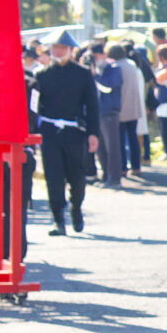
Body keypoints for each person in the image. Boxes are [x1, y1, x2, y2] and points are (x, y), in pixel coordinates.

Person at [30, 31, 97, 235]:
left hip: (74, 132)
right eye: (55, 48)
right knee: (53, 176)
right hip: (50, 132)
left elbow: (92, 106)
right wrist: (33, 131)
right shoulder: (41, 75)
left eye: (61, 48)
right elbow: (34, 106)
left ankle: (76, 208)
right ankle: (57, 218)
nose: (58, 52)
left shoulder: (83, 74)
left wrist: (94, 133)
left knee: (77, 176)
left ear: (70, 50)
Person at [91, 43, 127, 188]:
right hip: (97, 111)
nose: (95, 59)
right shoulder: (92, 70)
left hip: (110, 111)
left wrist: (96, 75)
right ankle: (105, 175)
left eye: (96, 56)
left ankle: (115, 177)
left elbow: (109, 86)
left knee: (112, 146)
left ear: (104, 55)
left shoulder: (114, 69)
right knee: (100, 147)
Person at [111, 37, 147, 176]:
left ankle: (123, 167)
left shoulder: (116, 67)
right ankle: (136, 166)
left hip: (120, 107)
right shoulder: (132, 65)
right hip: (134, 106)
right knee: (133, 138)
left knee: (120, 139)